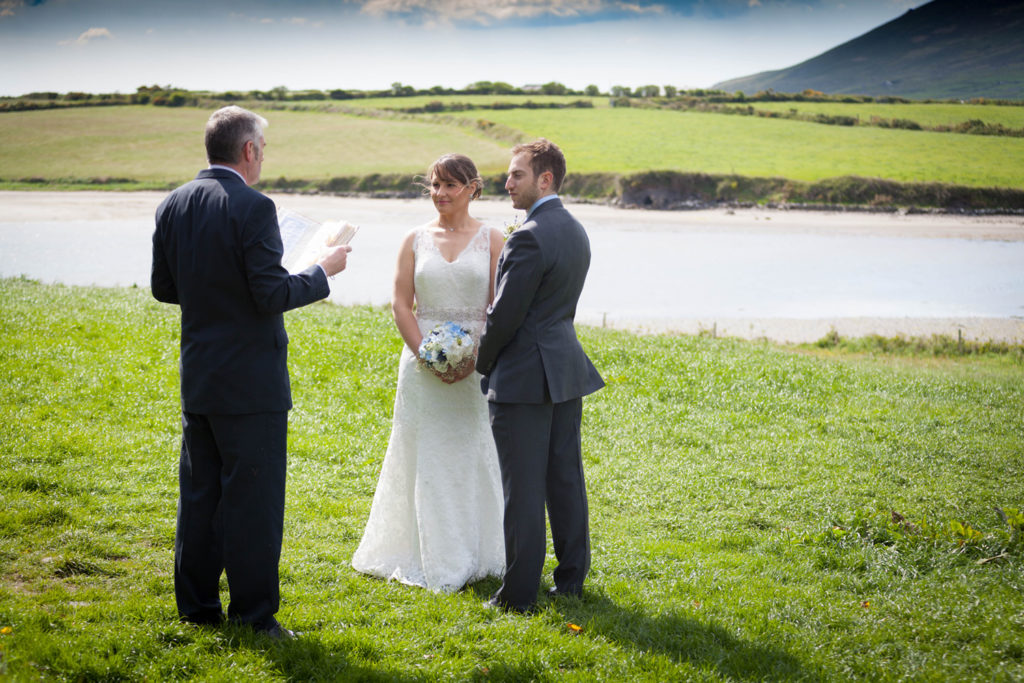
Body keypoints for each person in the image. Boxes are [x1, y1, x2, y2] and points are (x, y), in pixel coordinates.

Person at [151, 105, 351, 639]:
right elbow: (271, 294)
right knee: (254, 502)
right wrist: (321, 271)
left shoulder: (173, 203)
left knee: (200, 496)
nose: (263, 157)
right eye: (263, 148)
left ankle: (195, 608)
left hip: (201, 374)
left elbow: (164, 288)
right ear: (249, 151)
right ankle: (255, 616)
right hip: (251, 382)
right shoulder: (255, 207)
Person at [351, 154, 506, 592]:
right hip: (422, 366)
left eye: (449, 186)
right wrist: (426, 354)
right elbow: (402, 304)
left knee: (473, 452)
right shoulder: (413, 239)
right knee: (424, 454)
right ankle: (423, 551)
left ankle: (481, 550)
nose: (439, 194)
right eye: (434, 185)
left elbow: (499, 306)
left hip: (477, 364)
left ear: (473, 188)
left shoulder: (494, 239)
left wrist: (474, 356)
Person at [477, 139, 604, 614]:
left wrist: (482, 363)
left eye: (516, 175)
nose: (507, 183)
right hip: (564, 369)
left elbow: (506, 316)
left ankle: (517, 596)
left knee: (523, 489)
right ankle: (571, 580)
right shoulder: (574, 229)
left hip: (525, 376)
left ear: (544, 179)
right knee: (565, 480)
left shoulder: (529, 235)